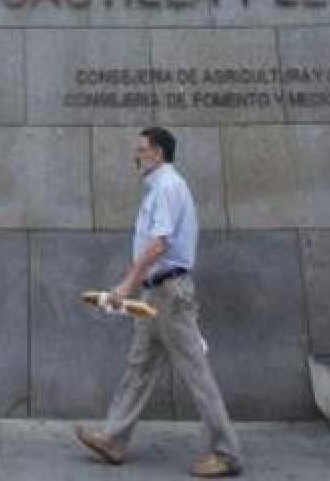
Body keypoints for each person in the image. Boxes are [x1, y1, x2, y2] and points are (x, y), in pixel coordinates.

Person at [75, 127, 242, 478]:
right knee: (139, 366)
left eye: (141, 150)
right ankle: (114, 440)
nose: (135, 155)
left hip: (169, 294)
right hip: (157, 293)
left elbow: (159, 244)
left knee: (196, 372)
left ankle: (226, 453)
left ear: (159, 154)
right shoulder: (161, 187)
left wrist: (126, 284)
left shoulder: (167, 187)